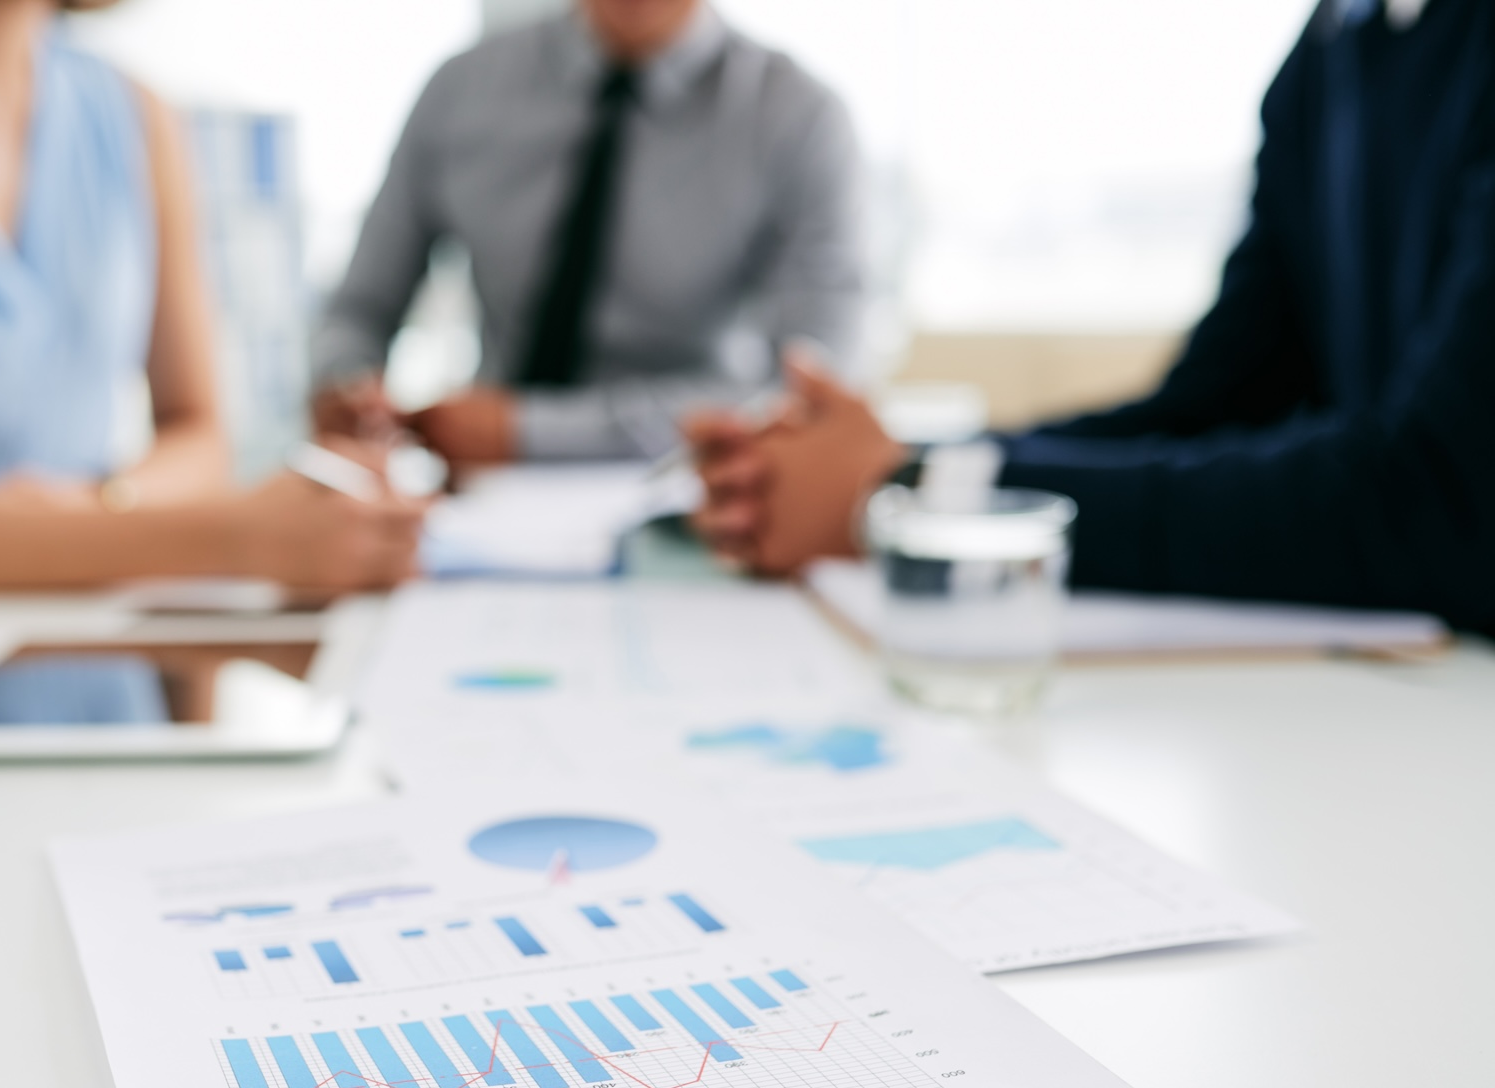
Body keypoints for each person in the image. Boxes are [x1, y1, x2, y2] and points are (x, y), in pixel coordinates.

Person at [694, 0, 1495, 632]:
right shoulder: (1331, 47)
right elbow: (1214, 404)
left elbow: (1438, 501)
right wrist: (902, 464)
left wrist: (910, 494)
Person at [0, 0, 424, 593]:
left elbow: (201, 435)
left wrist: (102, 505)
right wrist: (238, 538)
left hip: (104, 635)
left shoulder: (133, 113)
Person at [311, 0, 865, 466]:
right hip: (476, 484)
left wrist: (533, 432)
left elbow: (806, 392)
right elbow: (359, 309)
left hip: (694, 483)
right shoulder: (459, 90)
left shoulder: (800, 116)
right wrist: (349, 388)